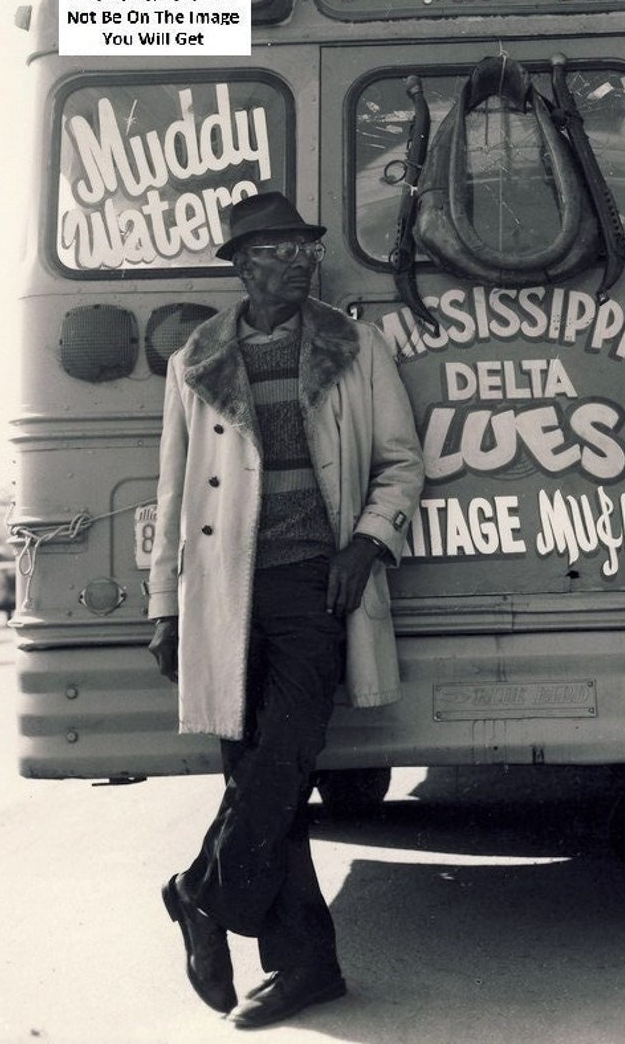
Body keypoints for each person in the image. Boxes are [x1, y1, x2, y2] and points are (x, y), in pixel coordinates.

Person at [147, 192, 424, 1030]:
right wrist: (165, 605)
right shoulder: (195, 361)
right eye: (279, 251)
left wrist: (366, 544)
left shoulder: (352, 346)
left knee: (286, 757)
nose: (300, 262)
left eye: (306, 248)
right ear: (242, 263)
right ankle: (308, 965)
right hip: (223, 592)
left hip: (315, 584)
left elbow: (401, 463)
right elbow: (171, 494)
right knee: (262, 777)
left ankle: (199, 893)